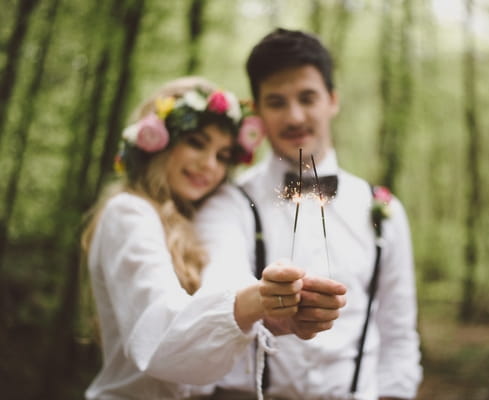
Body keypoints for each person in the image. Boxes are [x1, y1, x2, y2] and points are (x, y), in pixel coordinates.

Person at [81, 76, 347, 399]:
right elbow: (161, 333)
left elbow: (212, 317)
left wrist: (274, 316)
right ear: (158, 143)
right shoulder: (128, 213)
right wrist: (258, 299)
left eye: (222, 156)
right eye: (196, 142)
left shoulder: (192, 222)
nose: (209, 165)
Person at [194, 29, 422, 400]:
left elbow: (398, 331)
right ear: (258, 112)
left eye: (307, 98)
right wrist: (263, 299)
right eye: (277, 102)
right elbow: (219, 286)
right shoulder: (230, 203)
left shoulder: (384, 210)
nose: (295, 115)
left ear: (332, 100)